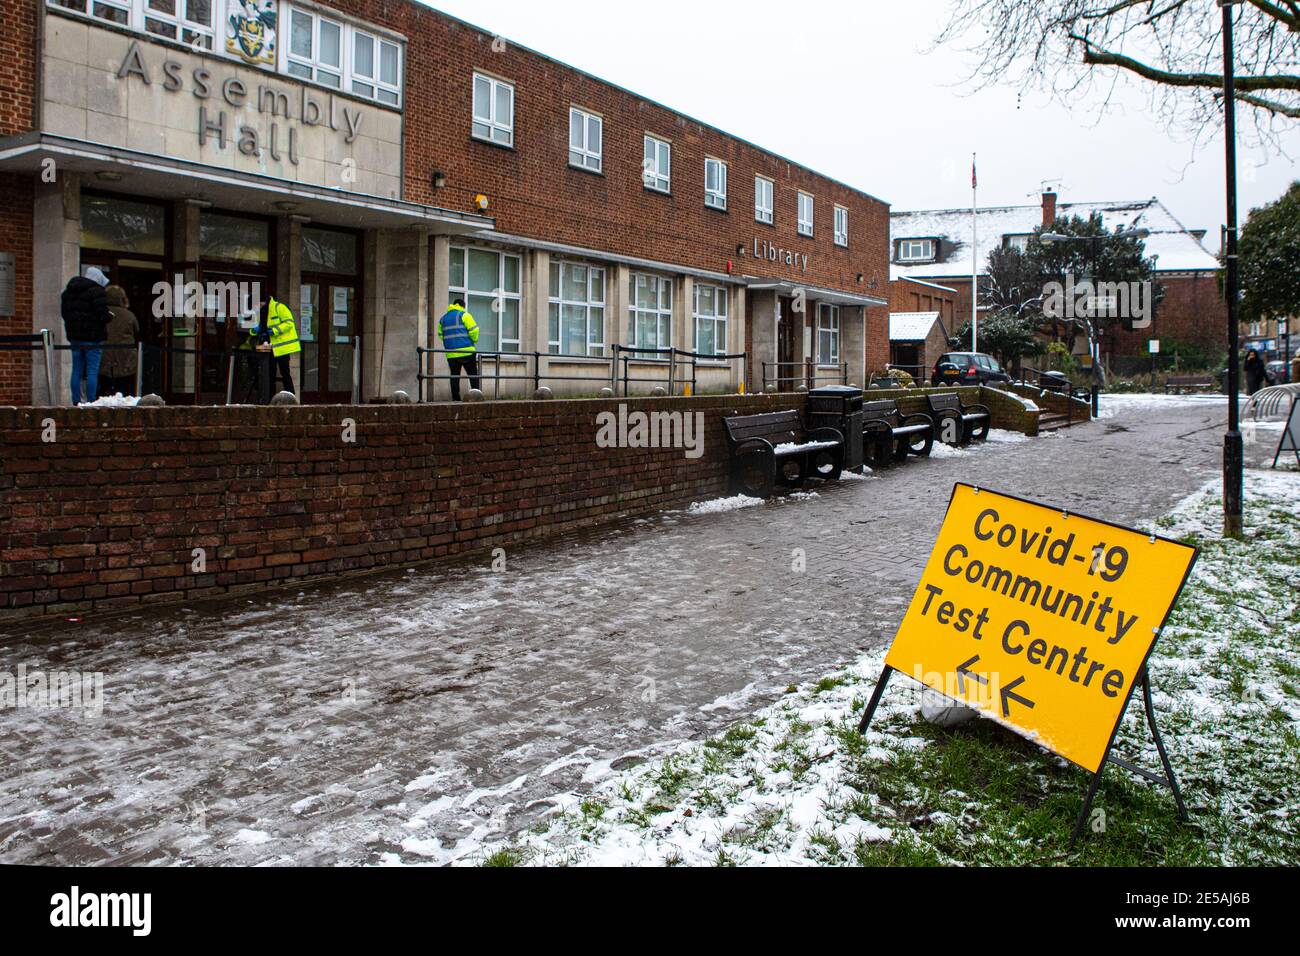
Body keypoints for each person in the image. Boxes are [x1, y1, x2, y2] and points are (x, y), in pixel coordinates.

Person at [61, 266, 111, 404]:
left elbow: (65, 314)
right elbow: (103, 315)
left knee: (76, 370)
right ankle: (91, 400)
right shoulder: (97, 292)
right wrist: (108, 317)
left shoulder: (68, 293)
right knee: (92, 371)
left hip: (75, 337)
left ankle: (76, 400)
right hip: (93, 338)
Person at [255, 296, 301, 399]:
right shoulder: (260, 311)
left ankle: (291, 397)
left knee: (285, 372)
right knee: (269, 373)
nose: (258, 306)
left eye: (259, 303)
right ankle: (269, 397)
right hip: (268, 347)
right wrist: (254, 330)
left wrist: (274, 330)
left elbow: (289, 323)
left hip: (282, 347)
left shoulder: (279, 307)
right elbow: (256, 327)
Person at [100, 284, 140, 396]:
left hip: (105, 353)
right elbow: (137, 331)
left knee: (104, 385)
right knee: (124, 386)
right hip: (125, 355)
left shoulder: (102, 313)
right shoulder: (129, 315)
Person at [438, 298, 480, 401]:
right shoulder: (464, 315)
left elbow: (440, 335)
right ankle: (476, 396)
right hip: (467, 351)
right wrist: (474, 340)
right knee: (473, 375)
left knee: (454, 376)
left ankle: (456, 399)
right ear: (462, 306)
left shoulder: (443, 319)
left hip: (451, 353)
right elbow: (474, 330)